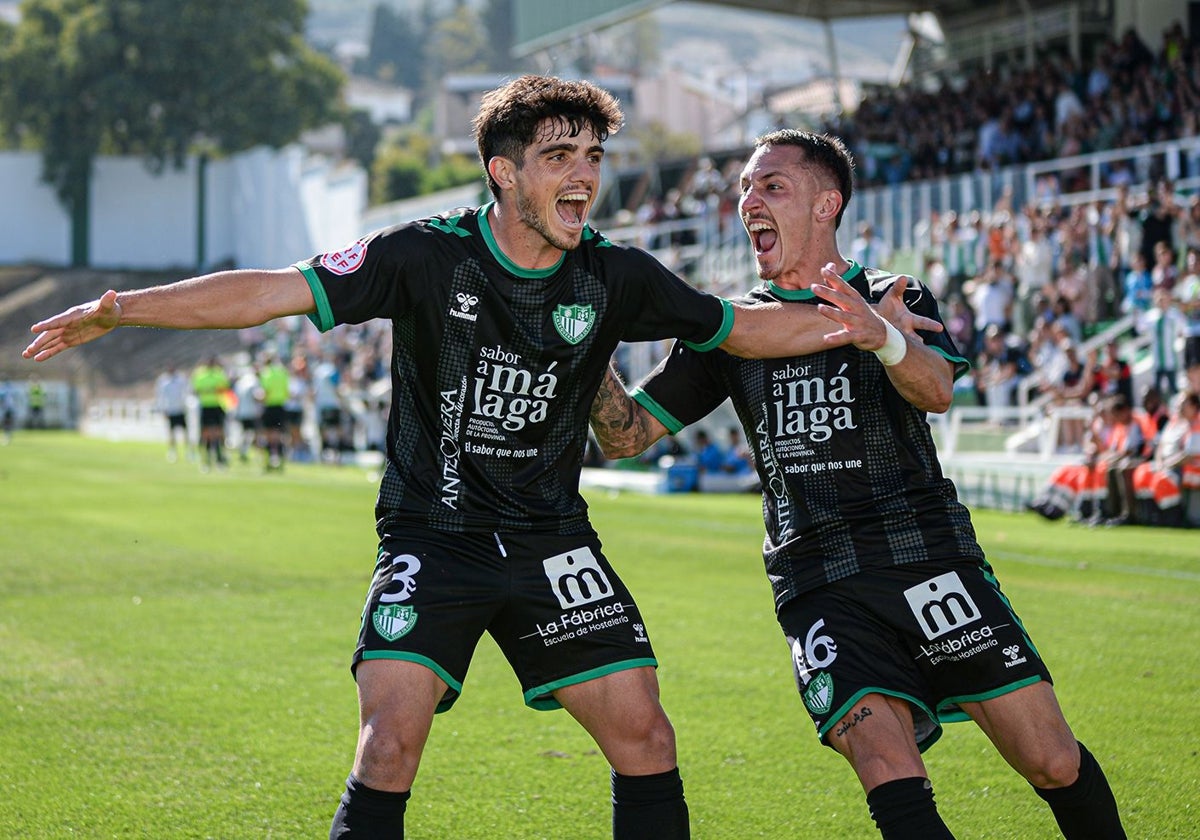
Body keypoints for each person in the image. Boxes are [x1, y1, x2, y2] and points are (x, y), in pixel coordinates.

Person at [21, 76, 932, 840]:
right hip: (434, 534)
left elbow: (742, 329)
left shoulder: (616, 274)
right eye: (559, 159)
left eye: (593, 159)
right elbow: (268, 292)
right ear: (504, 173)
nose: (585, 178)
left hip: (552, 541)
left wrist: (867, 324)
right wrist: (120, 307)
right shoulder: (422, 256)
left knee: (647, 739)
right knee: (388, 745)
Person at [589, 129, 1125, 839]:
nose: (749, 200)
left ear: (826, 203)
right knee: (886, 761)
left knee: (1052, 759)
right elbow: (624, 436)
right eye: (745, 188)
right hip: (817, 580)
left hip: (925, 556)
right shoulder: (731, 329)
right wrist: (587, 344)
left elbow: (935, 390)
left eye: (771, 185)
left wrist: (884, 337)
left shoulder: (893, 295)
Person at [191, 356, 230, 470]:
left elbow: (225, 389)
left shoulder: (219, 374)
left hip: (217, 406)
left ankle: (219, 457)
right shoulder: (200, 375)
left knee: (218, 432)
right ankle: (207, 458)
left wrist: (211, 390)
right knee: (206, 433)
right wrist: (212, 390)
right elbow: (196, 390)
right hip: (206, 406)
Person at [154, 365, 191, 462]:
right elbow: (160, 396)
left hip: (181, 409)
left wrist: (186, 404)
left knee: (185, 432)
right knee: (171, 433)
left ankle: (188, 451)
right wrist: (162, 409)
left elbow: (187, 391)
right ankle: (172, 451)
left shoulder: (181, 378)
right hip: (170, 410)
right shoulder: (163, 380)